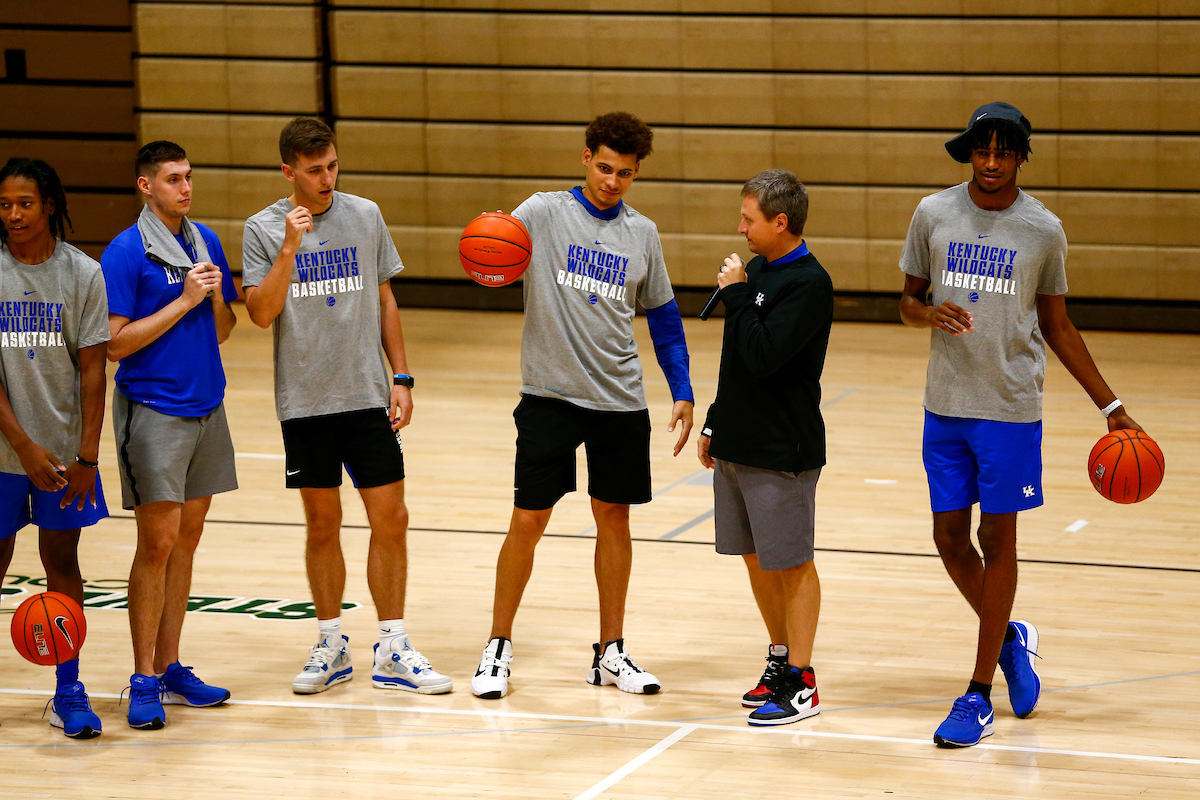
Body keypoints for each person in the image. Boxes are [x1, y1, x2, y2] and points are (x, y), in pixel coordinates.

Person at [898, 102, 1145, 747]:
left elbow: (1058, 325)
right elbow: (905, 301)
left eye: (1003, 153)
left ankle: (978, 691)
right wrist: (928, 315)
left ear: (1020, 157)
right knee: (949, 539)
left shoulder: (1044, 231)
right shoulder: (933, 213)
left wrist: (1111, 407)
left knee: (996, 537)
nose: (990, 163)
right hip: (944, 404)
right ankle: (1010, 637)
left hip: (1009, 408)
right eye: (981, 151)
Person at [471, 111, 694, 700]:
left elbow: (665, 319)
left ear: (636, 172)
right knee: (529, 519)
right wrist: (484, 264)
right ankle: (497, 647)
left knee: (613, 518)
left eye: (624, 173)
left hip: (619, 398)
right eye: (603, 167)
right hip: (549, 395)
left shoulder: (641, 233)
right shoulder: (542, 212)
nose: (612, 181)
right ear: (585, 158)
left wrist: (682, 388)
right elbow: (490, 250)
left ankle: (610, 652)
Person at [242, 117, 451, 696]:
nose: (327, 178)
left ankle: (392, 644)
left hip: (365, 395)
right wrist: (290, 245)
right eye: (314, 170)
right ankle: (331, 641)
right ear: (289, 172)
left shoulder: (365, 215)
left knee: (392, 518)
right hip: (305, 401)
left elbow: (385, 296)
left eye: (332, 165)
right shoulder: (262, 229)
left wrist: (402, 375)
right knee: (322, 524)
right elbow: (261, 313)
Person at [101, 141, 239, 729]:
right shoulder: (124, 252)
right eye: (174, 179)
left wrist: (213, 296)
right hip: (154, 410)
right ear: (145, 186)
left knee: (187, 542)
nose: (186, 187)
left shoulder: (204, 239)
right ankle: (142, 677)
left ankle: (171, 664)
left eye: (189, 177)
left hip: (208, 405)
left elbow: (226, 330)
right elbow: (114, 344)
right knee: (155, 546)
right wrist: (184, 300)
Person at [696, 169, 833, 726]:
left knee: (793, 562)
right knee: (754, 557)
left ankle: (802, 683)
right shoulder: (756, 270)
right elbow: (736, 364)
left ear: (782, 222)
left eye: (749, 219)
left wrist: (734, 295)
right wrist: (713, 421)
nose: (741, 228)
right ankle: (780, 657)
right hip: (738, 439)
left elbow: (763, 355)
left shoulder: (808, 283)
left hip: (782, 448)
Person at [0, 158, 109, 739]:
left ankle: (69, 690)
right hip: (3, 454)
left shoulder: (82, 273)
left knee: (61, 564)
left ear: (48, 205)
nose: (13, 214)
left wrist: (87, 459)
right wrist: (22, 445)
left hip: (65, 455)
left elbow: (94, 373)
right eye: (5, 205)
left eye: (24, 203)